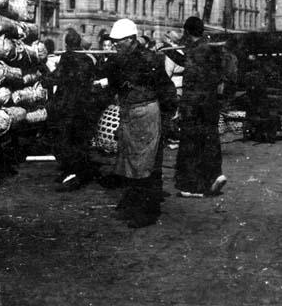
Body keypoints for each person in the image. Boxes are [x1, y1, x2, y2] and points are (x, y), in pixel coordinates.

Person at [97, 18, 177, 228]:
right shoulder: (117, 61)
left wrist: (168, 117)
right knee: (129, 162)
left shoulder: (149, 60)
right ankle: (133, 202)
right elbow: (111, 85)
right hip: (128, 113)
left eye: (118, 41)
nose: (114, 44)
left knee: (144, 164)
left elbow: (166, 89)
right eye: (112, 41)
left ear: (131, 40)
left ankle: (146, 211)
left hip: (145, 114)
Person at [168, 16, 227, 198]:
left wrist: (168, 49)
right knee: (210, 140)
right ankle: (215, 175)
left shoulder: (196, 50)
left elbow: (190, 70)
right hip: (210, 103)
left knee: (192, 144)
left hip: (195, 104)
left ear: (187, 32)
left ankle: (195, 186)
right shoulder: (210, 48)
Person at [50, 27, 106, 191]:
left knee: (65, 139)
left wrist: (43, 73)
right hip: (84, 104)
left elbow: (57, 77)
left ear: (67, 44)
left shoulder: (67, 58)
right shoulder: (87, 60)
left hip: (67, 104)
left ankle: (73, 173)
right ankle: (75, 171)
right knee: (79, 140)